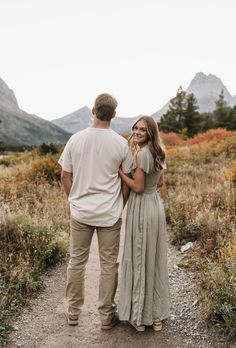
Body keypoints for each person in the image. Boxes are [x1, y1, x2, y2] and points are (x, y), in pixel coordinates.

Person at [58, 93, 132, 330]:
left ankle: (72, 312)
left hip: (80, 212)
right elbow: (126, 178)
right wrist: (120, 203)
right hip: (109, 213)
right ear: (114, 114)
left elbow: (65, 176)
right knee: (109, 264)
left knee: (76, 261)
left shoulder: (75, 140)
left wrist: (74, 199)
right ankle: (106, 316)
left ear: (93, 110)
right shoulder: (121, 143)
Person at [118, 116, 170, 332]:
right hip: (155, 205)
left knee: (139, 258)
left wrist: (122, 174)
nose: (137, 132)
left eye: (142, 129)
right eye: (135, 128)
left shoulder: (142, 154)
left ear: (150, 133)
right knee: (153, 259)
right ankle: (156, 316)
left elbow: (137, 187)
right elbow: (159, 182)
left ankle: (139, 317)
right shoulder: (159, 152)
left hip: (141, 207)